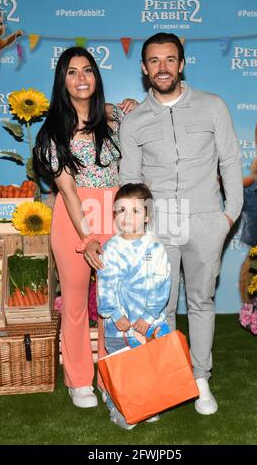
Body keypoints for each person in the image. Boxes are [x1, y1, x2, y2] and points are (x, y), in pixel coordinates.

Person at [119, 33, 243, 415]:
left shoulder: (212, 107)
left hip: (207, 217)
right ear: (143, 69)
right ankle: (167, 382)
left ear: (182, 64)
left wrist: (228, 215)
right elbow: (129, 178)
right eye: (154, 61)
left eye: (170, 59)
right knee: (161, 305)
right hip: (160, 223)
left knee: (201, 301)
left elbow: (231, 161)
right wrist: (137, 230)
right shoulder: (134, 120)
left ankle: (200, 378)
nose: (162, 68)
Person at [33, 46, 138, 408]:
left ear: (97, 76)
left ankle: (114, 376)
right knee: (76, 303)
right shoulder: (51, 133)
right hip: (74, 219)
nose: (81, 78)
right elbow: (69, 192)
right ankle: (80, 380)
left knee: (114, 304)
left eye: (88, 70)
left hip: (115, 215)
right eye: (72, 71)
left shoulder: (114, 121)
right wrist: (88, 238)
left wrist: (132, 109)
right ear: (62, 80)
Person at [97, 183, 171, 430]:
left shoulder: (156, 248)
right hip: (118, 328)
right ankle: (116, 406)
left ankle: (147, 404)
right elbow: (105, 285)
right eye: (121, 210)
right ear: (114, 214)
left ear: (148, 215)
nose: (128, 217)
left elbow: (162, 284)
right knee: (123, 371)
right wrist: (114, 314)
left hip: (149, 326)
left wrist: (149, 317)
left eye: (136, 211)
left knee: (148, 368)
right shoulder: (110, 248)